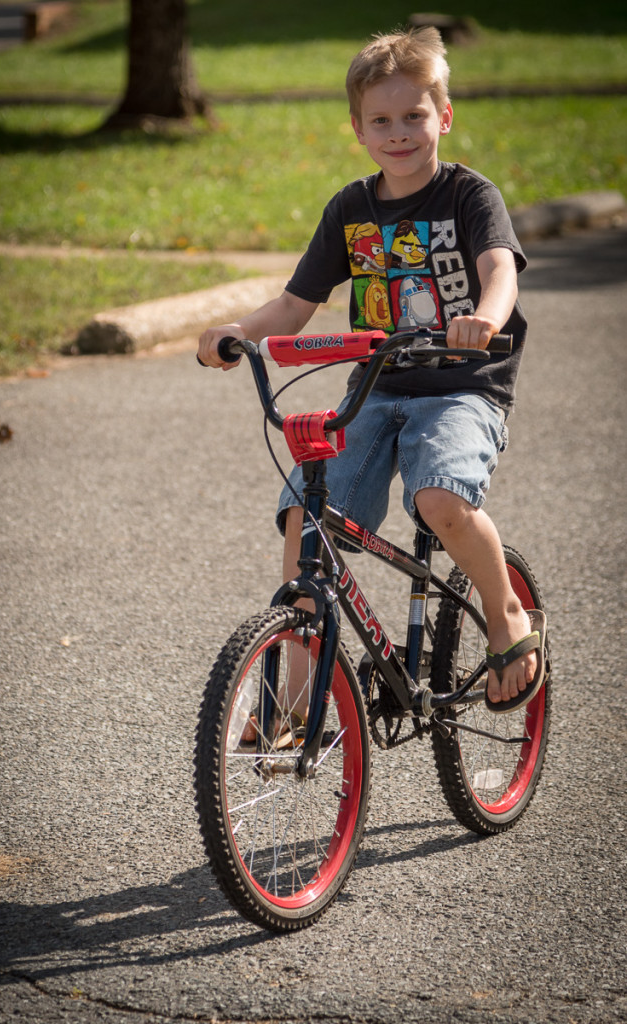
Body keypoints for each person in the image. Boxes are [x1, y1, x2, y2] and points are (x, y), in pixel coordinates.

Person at [198, 27, 546, 713]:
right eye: (381, 120)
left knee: (439, 500)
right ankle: (296, 700)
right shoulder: (350, 209)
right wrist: (241, 332)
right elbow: (296, 304)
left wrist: (486, 316)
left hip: (462, 386)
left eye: (414, 116)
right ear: (357, 129)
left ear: (442, 117)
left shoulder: (469, 197)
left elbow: (498, 269)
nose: (399, 133)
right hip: (378, 388)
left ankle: (507, 616)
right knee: (307, 514)